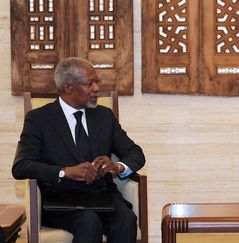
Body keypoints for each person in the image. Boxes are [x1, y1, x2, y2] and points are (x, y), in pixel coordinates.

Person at [12, 57, 145, 243]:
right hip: (60, 199)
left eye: (96, 82)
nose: (96, 88)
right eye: (89, 83)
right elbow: (21, 166)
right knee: (89, 221)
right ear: (68, 87)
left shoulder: (104, 116)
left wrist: (117, 167)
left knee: (127, 219)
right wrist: (65, 172)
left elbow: (135, 153)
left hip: (101, 196)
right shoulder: (39, 119)